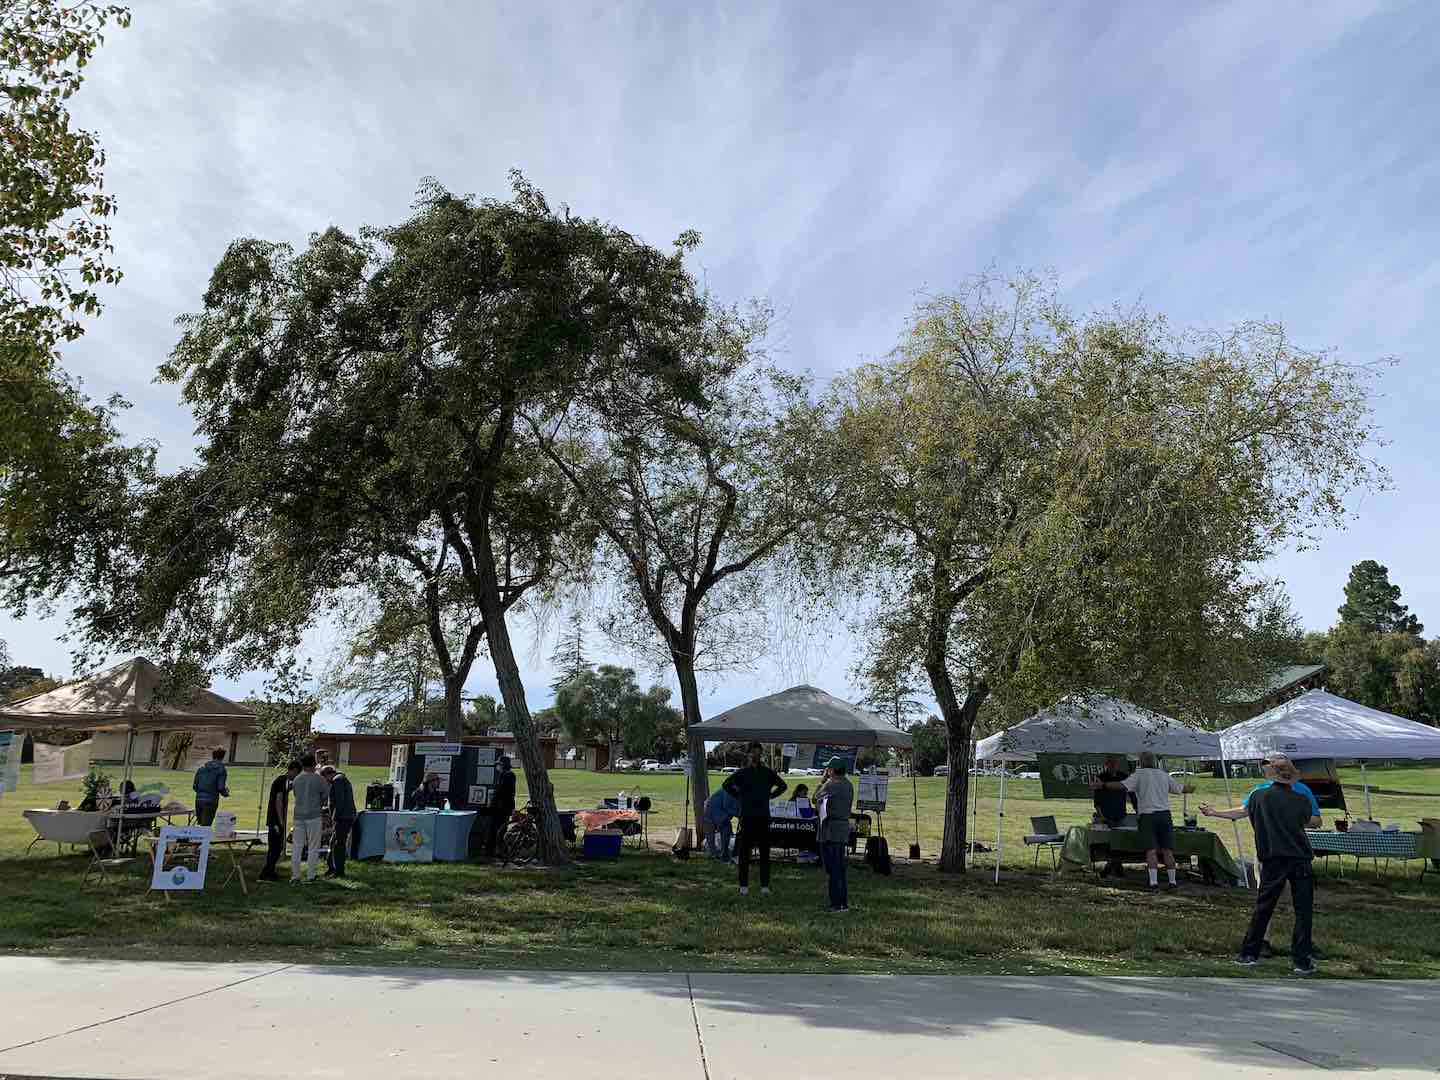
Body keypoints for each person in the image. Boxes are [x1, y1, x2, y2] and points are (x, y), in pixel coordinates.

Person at [1201, 754, 1318, 974]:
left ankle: (1249, 953)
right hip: (1299, 857)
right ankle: (1301, 959)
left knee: (1264, 906)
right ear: (1291, 778)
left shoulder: (1257, 797)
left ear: (1271, 775)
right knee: (1303, 910)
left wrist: (1215, 812)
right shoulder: (1301, 800)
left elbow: (1247, 814)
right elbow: (1307, 822)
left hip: (1272, 856)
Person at [1090, 750, 1195, 893]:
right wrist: (1191, 788)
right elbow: (1181, 789)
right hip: (1165, 815)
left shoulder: (1139, 775)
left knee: (1151, 851)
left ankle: (1153, 883)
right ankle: (1172, 882)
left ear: (1141, 762)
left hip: (1147, 816)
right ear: (1155, 762)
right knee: (1167, 850)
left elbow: (1121, 786)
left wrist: (1103, 785)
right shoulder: (1164, 775)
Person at [722, 742, 787, 896]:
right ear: (750, 755)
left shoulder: (766, 773)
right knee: (746, 853)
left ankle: (763, 885)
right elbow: (726, 785)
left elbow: (783, 786)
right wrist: (740, 797)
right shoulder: (744, 773)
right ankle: (744, 885)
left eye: (757, 753)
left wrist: (769, 796)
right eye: (754, 753)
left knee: (763, 853)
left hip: (761, 817)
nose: (756, 756)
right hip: (749, 816)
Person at [815, 758, 854, 913]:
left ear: (831, 770)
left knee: (833, 869)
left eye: (828, 769)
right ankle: (843, 902)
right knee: (840, 868)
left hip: (830, 830)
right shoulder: (848, 784)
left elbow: (815, 797)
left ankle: (836, 904)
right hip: (842, 829)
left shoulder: (830, 784)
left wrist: (822, 781)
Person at [1092, 754, 1138, 878]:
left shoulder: (1124, 777)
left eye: (1115, 763)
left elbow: (1132, 795)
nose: (1113, 765)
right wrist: (1101, 815)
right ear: (1106, 764)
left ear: (1118, 764)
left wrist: (1136, 809)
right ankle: (1115, 867)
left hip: (1120, 814)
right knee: (1109, 843)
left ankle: (1111, 866)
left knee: (1119, 842)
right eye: (1110, 763)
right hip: (1106, 815)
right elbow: (1097, 800)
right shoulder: (1101, 777)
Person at [258, 761, 300, 883]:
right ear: (291, 770)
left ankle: (269, 871)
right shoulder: (282, 781)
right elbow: (278, 800)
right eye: (296, 773)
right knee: (275, 847)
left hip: (276, 819)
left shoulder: (285, 782)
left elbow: (290, 789)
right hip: (275, 820)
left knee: (277, 847)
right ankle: (266, 873)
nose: (296, 776)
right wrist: (281, 821)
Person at [289, 754, 327, 885]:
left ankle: (295, 876)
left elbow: (295, 794)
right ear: (314, 763)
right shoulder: (319, 779)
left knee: (297, 846)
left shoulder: (297, 779)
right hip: (314, 815)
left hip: (298, 816)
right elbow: (325, 796)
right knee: (313, 846)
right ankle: (311, 875)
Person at [320, 765, 358, 878]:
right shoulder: (340, 779)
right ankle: (331, 868)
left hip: (343, 818)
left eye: (324, 778)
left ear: (327, 775)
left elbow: (339, 802)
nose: (325, 782)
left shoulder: (337, 781)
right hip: (345, 816)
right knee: (333, 842)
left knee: (338, 844)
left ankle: (339, 871)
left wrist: (335, 819)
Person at [484, 756, 518, 858]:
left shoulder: (508, 775)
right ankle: (496, 851)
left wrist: (493, 801)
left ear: (502, 765)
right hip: (501, 807)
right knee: (497, 830)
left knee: (498, 830)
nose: (497, 766)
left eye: (498, 764)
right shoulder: (505, 775)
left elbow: (502, 792)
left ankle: (497, 852)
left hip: (502, 808)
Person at [192, 747, 230, 827]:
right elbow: (220, 787)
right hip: (211, 800)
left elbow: (195, 786)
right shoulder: (221, 769)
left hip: (198, 800)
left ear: (213, 756)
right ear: (223, 757)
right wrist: (226, 793)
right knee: (206, 827)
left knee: (201, 826)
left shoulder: (202, 768)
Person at [703, 786, 740, 861]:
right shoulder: (728, 791)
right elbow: (727, 806)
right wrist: (739, 814)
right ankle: (714, 854)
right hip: (713, 811)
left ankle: (723, 853)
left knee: (726, 830)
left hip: (721, 815)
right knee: (712, 833)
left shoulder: (736, 793)